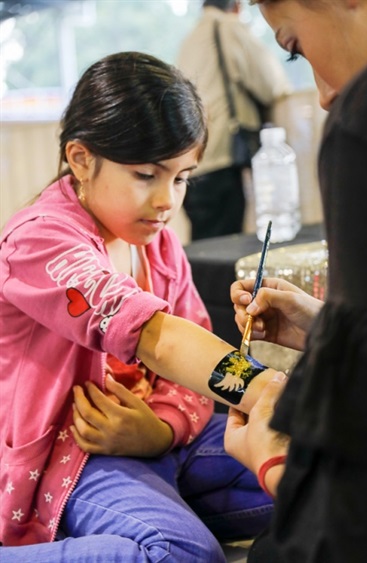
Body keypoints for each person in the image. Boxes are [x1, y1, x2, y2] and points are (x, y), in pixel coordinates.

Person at [0, 51, 280, 562]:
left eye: (181, 177)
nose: (166, 201)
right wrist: (265, 388)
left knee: (325, 473)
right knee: (182, 553)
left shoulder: (159, 245)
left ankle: (147, 515)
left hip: (156, 441)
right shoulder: (38, 243)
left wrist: (161, 431)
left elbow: (191, 347)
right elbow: (159, 337)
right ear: (81, 158)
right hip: (80, 455)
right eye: (146, 175)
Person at [225, 0, 367, 561]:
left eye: (294, 48)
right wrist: (327, 334)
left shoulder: (363, 125)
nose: (324, 95)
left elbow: (341, 531)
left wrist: (276, 462)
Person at [177, 0, 291, 240]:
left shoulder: (190, 39)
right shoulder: (229, 28)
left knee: (204, 247)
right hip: (221, 158)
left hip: (190, 164)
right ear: (237, 7)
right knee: (225, 247)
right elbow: (271, 84)